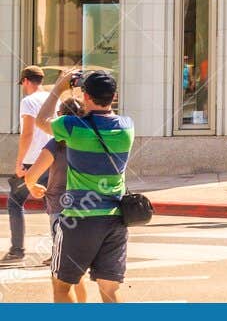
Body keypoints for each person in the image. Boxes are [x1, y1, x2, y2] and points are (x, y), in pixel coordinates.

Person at [40, 69, 133, 303]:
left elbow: (41, 121)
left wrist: (59, 88)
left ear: (86, 96)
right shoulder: (126, 127)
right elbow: (105, 116)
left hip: (79, 218)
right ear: (113, 96)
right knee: (109, 290)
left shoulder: (72, 126)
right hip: (115, 218)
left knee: (61, 285)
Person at [22, 98, 86, 302]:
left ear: (59, 117)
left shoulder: (57, 143)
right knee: (76, 269)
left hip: (60, 208)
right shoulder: (87, 139)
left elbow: (31, 175)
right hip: (87, 207)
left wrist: (33, 186)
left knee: (60, 276)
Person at [7, 66, 50, 264]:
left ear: (25, 81)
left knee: (15, 201)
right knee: (56, 205)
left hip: (32, 161)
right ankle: (59, 251)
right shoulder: (52, 99)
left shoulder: (28, 101)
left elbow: (27, 134)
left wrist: (18, 163)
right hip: (52, 158)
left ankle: (17, 250)